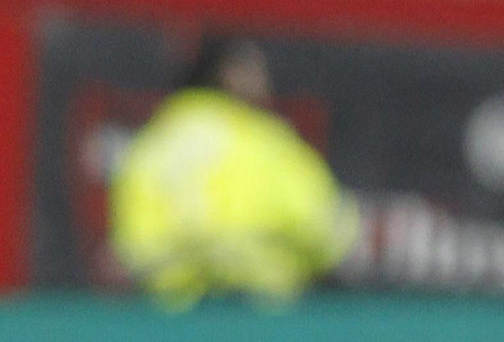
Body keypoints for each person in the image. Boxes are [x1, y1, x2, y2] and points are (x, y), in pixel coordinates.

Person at [109, 34, 355, 305]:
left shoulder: (150, 145)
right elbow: (326, 229)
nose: (264, 83)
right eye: (255, 71)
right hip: (260, 314)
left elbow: (132, 248)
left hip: (170, 316)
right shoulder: (263, 140)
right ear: (231, 76)